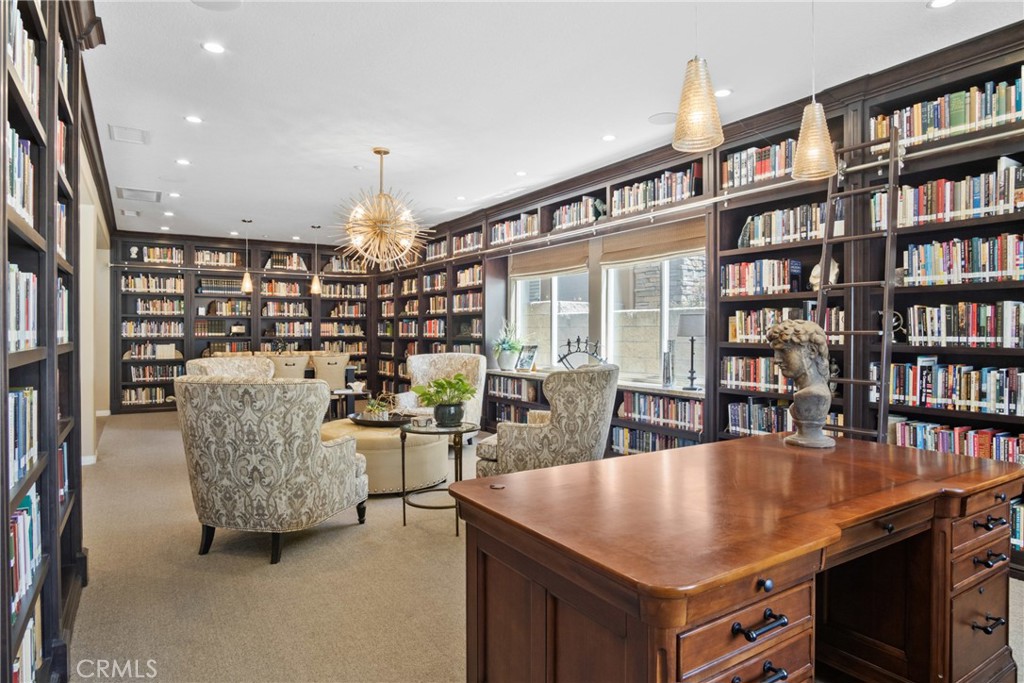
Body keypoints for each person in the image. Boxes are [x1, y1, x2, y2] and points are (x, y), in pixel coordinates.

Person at [766, 319, 835, 448]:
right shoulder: (806, 392)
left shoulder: (815, 395)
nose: (777, 360)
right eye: (775, 352)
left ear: (812, 351)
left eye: (784, 351)